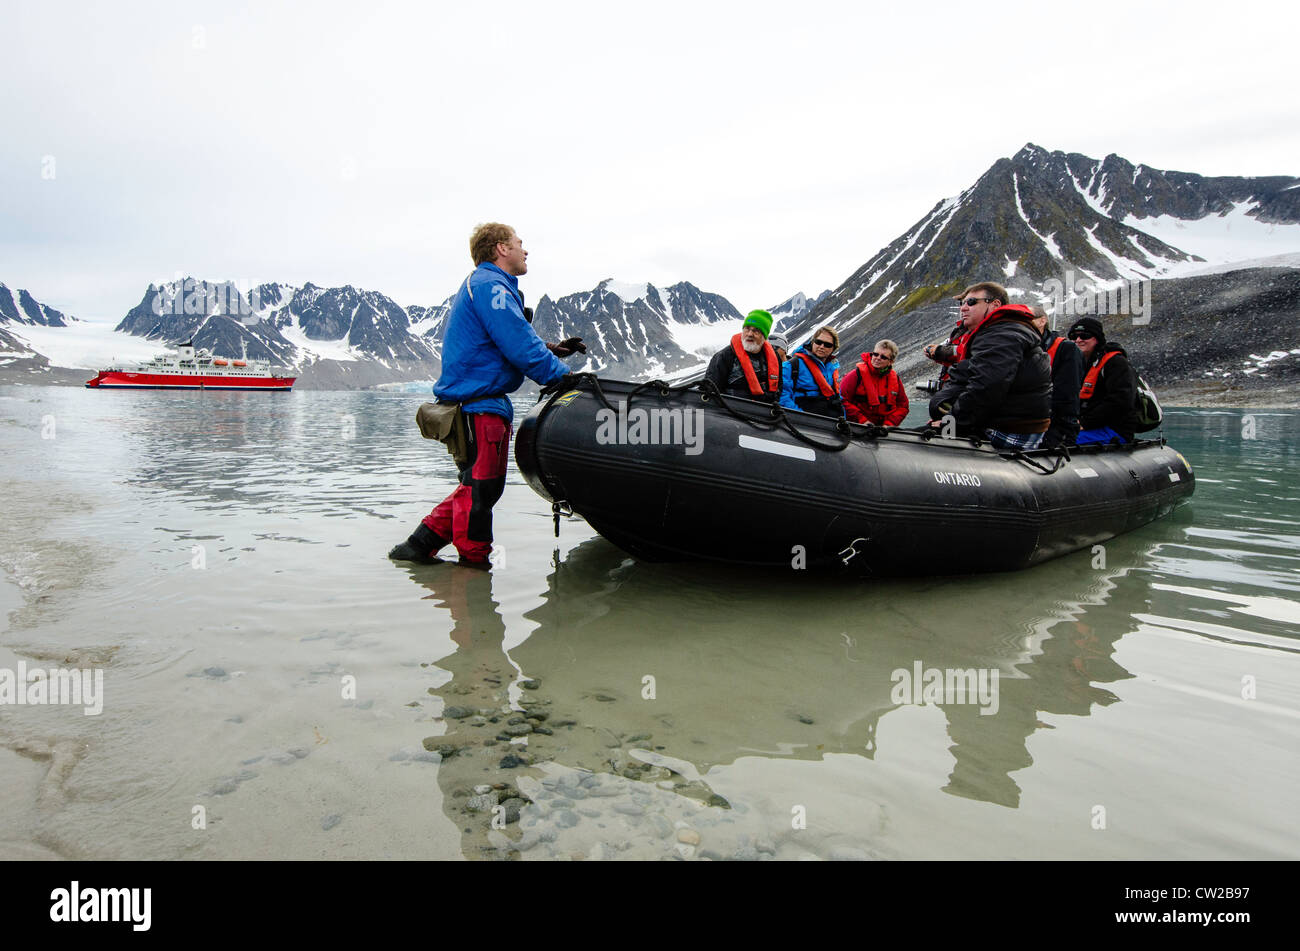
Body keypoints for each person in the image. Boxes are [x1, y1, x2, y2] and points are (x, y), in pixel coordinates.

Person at [389, 223, 587, 567]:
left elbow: (510, 335)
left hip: (483, 403)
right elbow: (516, 341)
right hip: (478, 405)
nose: (525, 251)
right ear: (500, 249)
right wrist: (561, 377)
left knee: (481, 486)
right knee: (481, 488)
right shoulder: (490, 285)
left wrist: (554, 350)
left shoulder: (488, 286)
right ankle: (474, 567)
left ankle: (418, 547)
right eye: (519, 244)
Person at [928, 281, 1050, 450]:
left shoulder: (1000, 335)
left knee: (919, 441)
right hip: (1008, 422)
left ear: (995, 305)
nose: (963, 308)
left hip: (1007, 430)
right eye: (962, 303)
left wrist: (951, 424)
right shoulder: (1004, 331)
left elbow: (987, 387)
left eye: (971, 302)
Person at [1068, 316, 1140, 445]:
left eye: (1084, 336)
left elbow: (1121, 401)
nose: (1078, 340)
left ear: (1097, 339)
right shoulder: (1079, 363)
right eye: (1074, 336)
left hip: (1114, 429)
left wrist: (1085, 423)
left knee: (1061, 441)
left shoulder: (1116, 363)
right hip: (1087, 426)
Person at [1030, 307, 1083, 449]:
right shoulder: (1024, 347)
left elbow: (1067, 397)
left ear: (1043, 320)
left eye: (1028, 319)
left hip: (1054, 428)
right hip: (1029, 424)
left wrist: (1062, 433)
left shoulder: (1066, 349)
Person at [704, 309, 781, 402]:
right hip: (730, 412)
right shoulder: (725, 356)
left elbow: (779, 388)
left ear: (764, 336)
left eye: (756, 331)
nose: (750, 334)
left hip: (763, 412)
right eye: (747, 328)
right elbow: (709, 390)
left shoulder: (775, 358)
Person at [780, 326, 846, 417]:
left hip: (828, 424)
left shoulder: (832, 369)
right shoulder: (792, 365)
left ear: (833, 348)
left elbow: (838, 399)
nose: (821, 346)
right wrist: (801, 418)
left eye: (827, 345)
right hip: (803, 423)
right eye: (818, 342)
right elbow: (782, 396)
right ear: (812, 342)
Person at [840, 339, 909, 426]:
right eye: (875, 354)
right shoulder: (855, 375)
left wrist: (889, 424)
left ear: (891, 362)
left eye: (883, 357)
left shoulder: (895, 379)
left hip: (883, 429)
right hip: (857, 426)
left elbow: (903, 406)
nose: (878, 358)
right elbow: (842, 400)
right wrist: (862, 420)